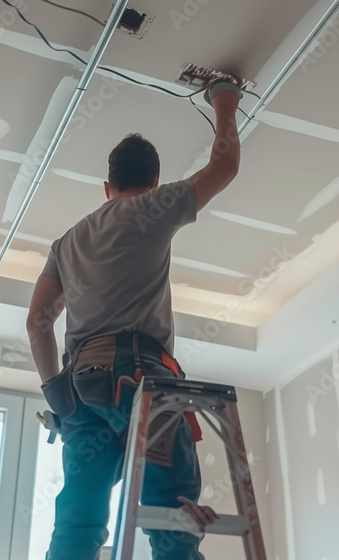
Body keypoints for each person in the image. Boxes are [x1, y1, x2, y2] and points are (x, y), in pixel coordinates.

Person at [26, 78, 243, 560]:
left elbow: (38, 323)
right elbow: (224, 166)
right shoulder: (155, 206)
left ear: (107, 187)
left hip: (82, 390)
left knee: (77, 526)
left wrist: (60, 400)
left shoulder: (66, 242)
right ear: (153, 182)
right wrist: (224, 98)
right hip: (144, 383)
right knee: (171, 520)